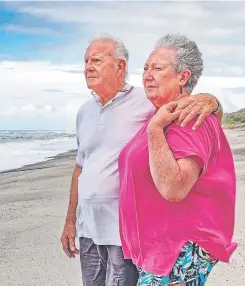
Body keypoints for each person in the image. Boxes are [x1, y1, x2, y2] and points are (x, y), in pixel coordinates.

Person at [60, 34, 223, 286]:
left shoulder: (145, 101)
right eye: (85, 61)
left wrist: (212, 100)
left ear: (121, 66)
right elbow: (81, 167)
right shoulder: (85, 112)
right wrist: (70, 221)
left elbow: (190, 110)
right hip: (88, 229)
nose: (88, 67)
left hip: (124, 233)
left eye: (97, 60)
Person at [118, 33, 237, 286]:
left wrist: (154, 130)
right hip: (156, 251)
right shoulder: (160, 113)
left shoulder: (189, 118)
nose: (147, 75)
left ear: (183, 77)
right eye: (146, 68)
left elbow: (174, 187)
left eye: (158, 68)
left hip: (175, 253)